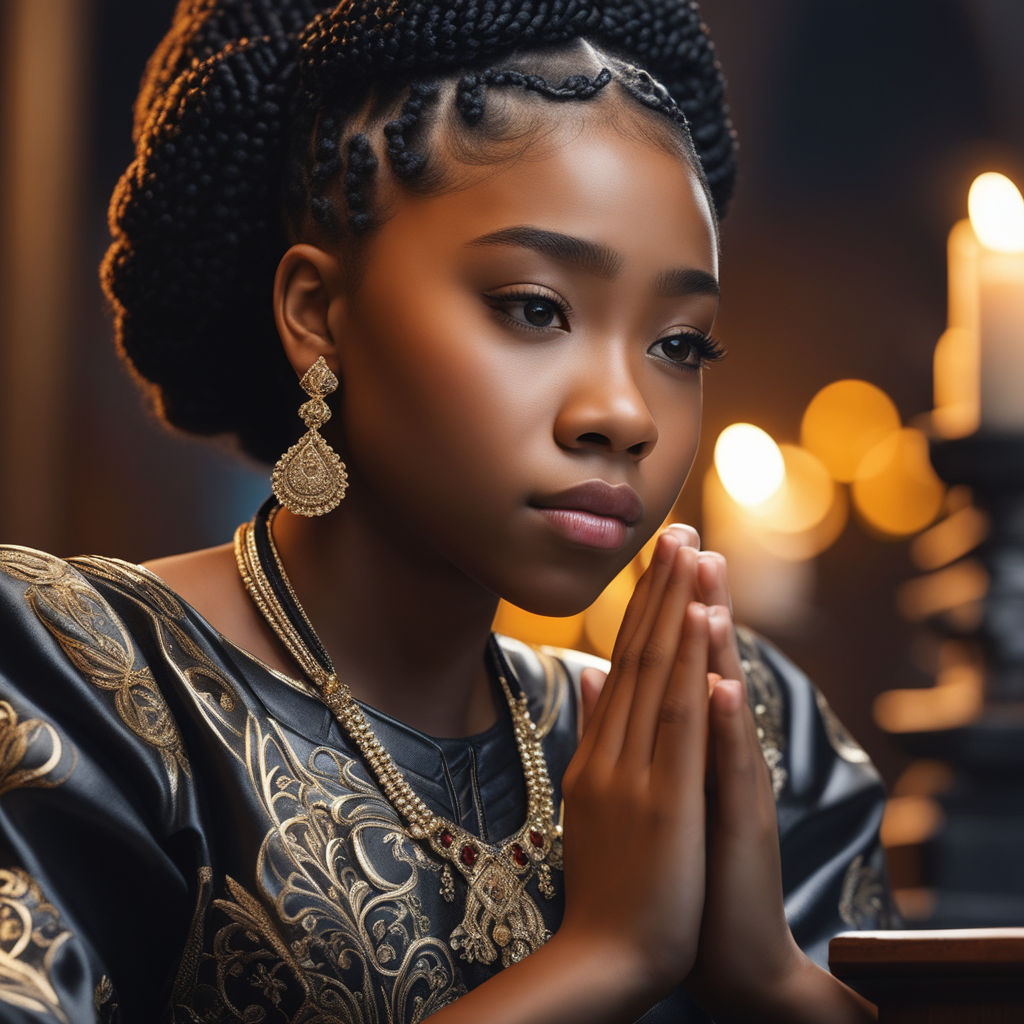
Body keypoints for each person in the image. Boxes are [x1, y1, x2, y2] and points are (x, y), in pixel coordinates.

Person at [0, 1, 895, 1020]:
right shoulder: (76, 683)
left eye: (679, 343)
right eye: (534, 308)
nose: (624, 413)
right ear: (316, 312)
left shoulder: (748, 741)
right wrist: (603, 957)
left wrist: (770, 980)